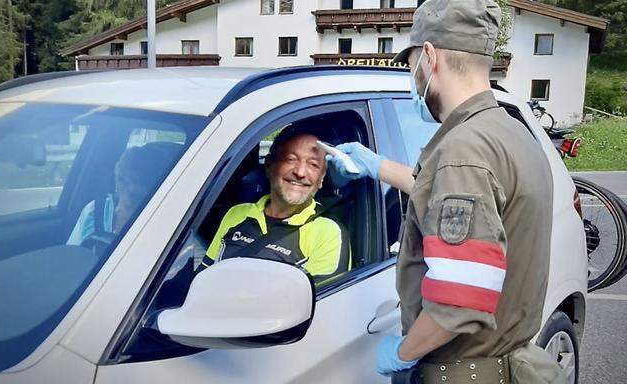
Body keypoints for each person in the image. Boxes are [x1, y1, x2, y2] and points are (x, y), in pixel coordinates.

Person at [328, 0, 564, 382]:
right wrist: (377, 166)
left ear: (429, 57)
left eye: (410, 66)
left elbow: (459, 299)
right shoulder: (512, 133)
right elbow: (447, 193)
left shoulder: (462, 151)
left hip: (464, 371)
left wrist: (403, 353)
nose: (412, 79)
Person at [200, 127, 350, 282]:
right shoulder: (236, 213)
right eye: (291, 159)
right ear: (269, 166)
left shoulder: (327, 232)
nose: (300, 172)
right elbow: (203, 276)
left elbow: (319, 303)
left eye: (313, 165)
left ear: (321, 179)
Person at [67, 143, 179, 245]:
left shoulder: (165, 222)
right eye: (124, 181)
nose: (131, 189)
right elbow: (73, 256)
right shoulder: (95, 211)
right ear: (117, 181)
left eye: (141, 182)